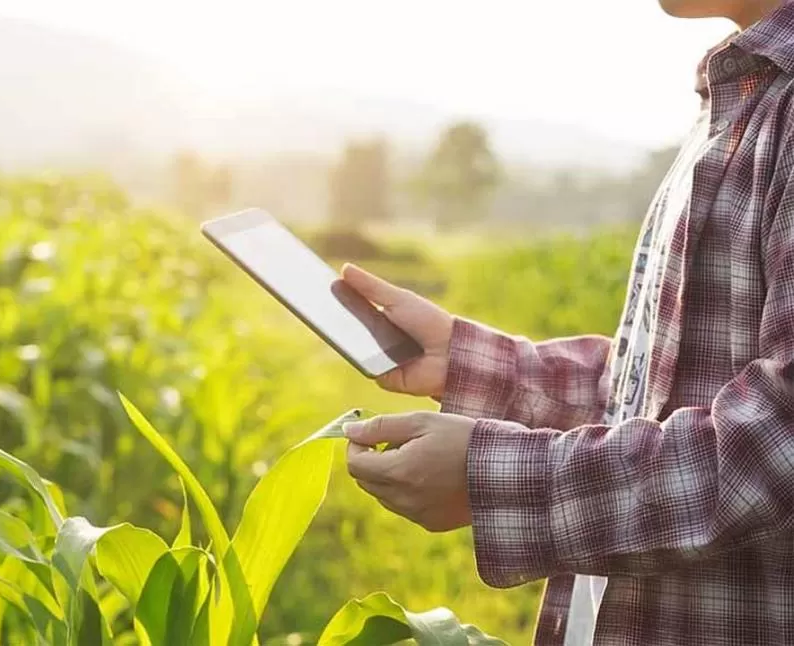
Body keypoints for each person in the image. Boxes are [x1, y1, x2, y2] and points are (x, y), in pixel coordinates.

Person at [338, 1, 794, 644]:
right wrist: (473, 361)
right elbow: (659, 393)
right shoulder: (747, 89)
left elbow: (773, 450)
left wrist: (490, 481)